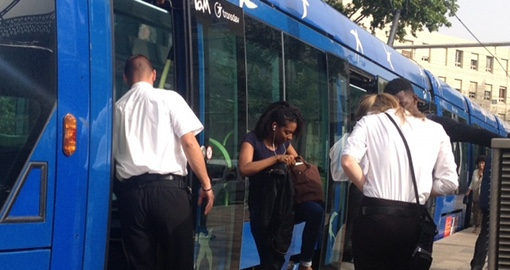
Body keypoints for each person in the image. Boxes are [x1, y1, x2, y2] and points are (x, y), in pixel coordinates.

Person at [113, 54, 214, 270]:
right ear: (154, 75)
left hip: (130, 197)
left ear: (125, 78)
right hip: (168, 193)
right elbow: (189, 143)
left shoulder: (116, 109)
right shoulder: (169, 98)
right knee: (178, 262)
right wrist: (206, 184)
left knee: (140, 265)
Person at [340, 93, 459, 270]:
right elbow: (450, 182)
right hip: (412, 222)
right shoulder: (436, 129)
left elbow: (348, 161)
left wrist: (368, 187)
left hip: (374, 216)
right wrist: (423, 190)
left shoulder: (369, 121)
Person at [239, 101, 321, 270]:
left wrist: (295, 162)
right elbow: (245, 168)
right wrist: (275, 159)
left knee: (316, 211)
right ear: (274, 126)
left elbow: (299, 165)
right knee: (269, 260)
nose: (290, 137)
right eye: (287, 132)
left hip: (285, 207)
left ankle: (306, 262)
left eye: (293, 133)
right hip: (262, 209)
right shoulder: (252, 139)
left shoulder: (285, 144)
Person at [384, 78, 502, 148]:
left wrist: (504, 143)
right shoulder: (383, 127)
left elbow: (475, 134)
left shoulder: (437, 125)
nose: (397, 111)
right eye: (391, 107)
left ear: (415, 99)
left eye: (402, 105)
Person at [466, 155, 486, 233]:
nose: (481, 165)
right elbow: (472, 182)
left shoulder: (487, 173)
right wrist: (469, 190)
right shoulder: (475, 172)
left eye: (483, 163)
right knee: (475, 211)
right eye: (480, 163)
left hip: (483, 194)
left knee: (481, 212)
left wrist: (481, 177)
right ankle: (476, 226)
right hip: (476, 194)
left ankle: (480, 227)